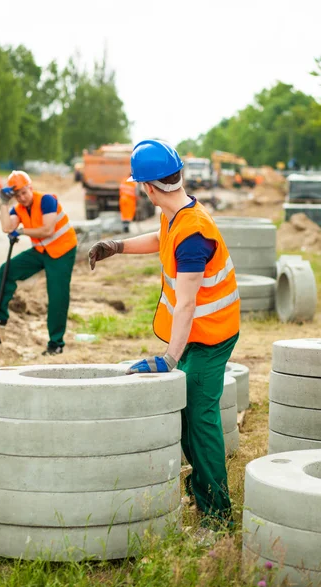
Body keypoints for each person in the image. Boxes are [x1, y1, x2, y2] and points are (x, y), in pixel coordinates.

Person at [88, 140, 240, 534]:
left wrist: (169, 359)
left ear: (148, 188)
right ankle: (203, 493)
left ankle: (218, 519)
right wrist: (117, 246)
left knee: (199, 419)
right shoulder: (177, 214)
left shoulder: (193, 232)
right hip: (197, 336)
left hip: (211, 338)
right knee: (188, 414)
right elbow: (160, 241)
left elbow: (187, 304)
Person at [0, 170, 77, 355]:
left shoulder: (46, 200)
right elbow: (6, 227)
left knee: (57, 295)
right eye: (17, 195)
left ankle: (56, 343)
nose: (22, 197)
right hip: (41, 250)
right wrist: (4, 204)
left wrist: (21, 232)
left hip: (62, 251)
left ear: (30, 188)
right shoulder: (19, 208)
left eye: (24, 192)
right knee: (7, 270)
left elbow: (47, 230)